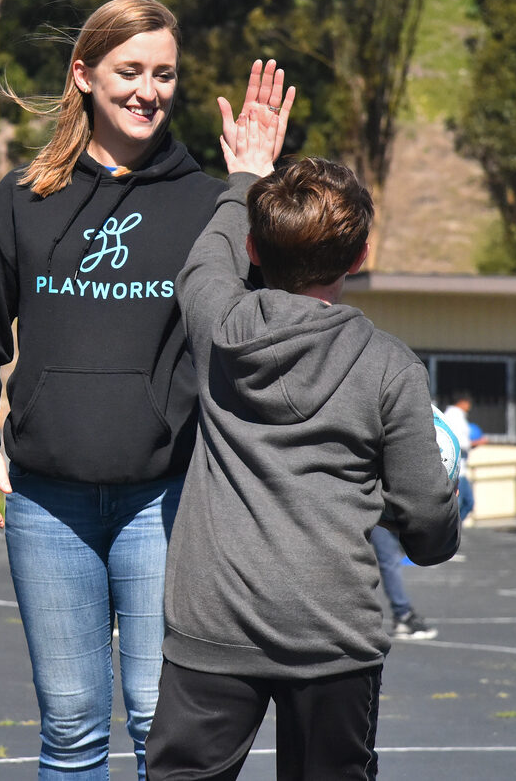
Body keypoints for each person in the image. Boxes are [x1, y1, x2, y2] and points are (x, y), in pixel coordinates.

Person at [0, 0, 252, 780]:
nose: (150, 90)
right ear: (84, 74)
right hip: (47, 505)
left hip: (164, 502)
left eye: (166, 74)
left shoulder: (208, 204)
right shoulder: (23, 200)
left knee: (159, 725)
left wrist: (252, 184)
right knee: (72, 732)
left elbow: (254, 321)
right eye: (131, 71)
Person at [146, 86, 460, 780]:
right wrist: (437, 539)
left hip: (211, 626)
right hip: (333, 635)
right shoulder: (390, 367)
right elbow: (427, 510)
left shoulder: (218, 327)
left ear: (256, 248)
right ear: (360, 256)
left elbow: (209, 257)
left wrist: (248, 174)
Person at [370, 525, 440, 640]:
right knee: (389, 560)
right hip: (375, 514)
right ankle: (403, 614)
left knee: (388, 559)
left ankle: (402, 614)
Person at [443, 391, 486, 524]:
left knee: (467, 502)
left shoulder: (457, 416)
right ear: (462, 402)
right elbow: (457, 441)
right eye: (468, 403)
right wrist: (477, 442)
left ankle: (452, 530)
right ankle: (448, 532)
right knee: (461, 503)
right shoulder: (454, 416)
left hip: (462, 469)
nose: (469, 406)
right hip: (457, 471)